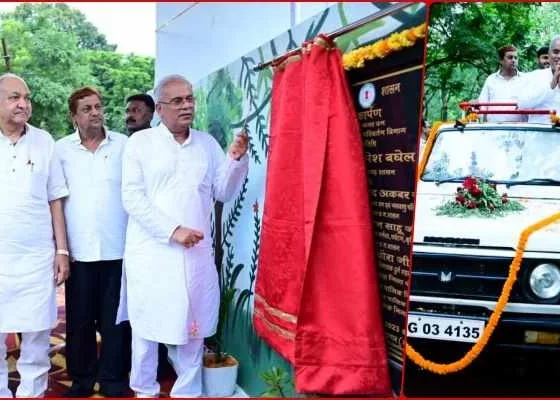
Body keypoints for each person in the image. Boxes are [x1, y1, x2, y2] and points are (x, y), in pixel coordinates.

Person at [117, 74, 248, 397]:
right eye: (177, 101)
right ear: (160, 108)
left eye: (189, 98)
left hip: (195, 255)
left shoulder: (206, 144)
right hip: (152, 253)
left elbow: (223, 191)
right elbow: (132, 198)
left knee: (194, 330)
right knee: (147, 329)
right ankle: (145, 390)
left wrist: (235, 159)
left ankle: (187, 392)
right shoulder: (141, 144)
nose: (187, 105)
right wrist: (173, 231)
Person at [56, 86, 131, 397]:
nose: (95, 113)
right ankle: (82, 379)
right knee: (80, 321)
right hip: (79, 252)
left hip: (119, 249)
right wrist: (59, 248)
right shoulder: (60, 150)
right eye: (87, 108)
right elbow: (55, 199)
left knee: (117, 322)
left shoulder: (126, 146)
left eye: (98, 106)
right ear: (74, 116)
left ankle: (114, 380)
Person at [0, 73, 70, 397]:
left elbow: (56, 197)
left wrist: (62, 251)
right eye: (14, 97)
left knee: (38, 339)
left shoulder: (44, 142)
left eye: (26, 98)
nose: (23, 104)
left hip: (36, 257)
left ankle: (32, 393)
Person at [477, 44, 526, 122]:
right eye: (510, 57)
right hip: (495, 129)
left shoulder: (525, 79)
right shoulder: (491, 79)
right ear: (501, 60)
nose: (513, 60)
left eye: (516, 58)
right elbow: (482, 104)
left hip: (520, 129)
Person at [518, 36, 560, 123]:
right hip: (540, 134)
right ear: (549, 54)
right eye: (556, 52)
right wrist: (550, 87)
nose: (559, 56)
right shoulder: (535, 76)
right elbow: (522, 103)